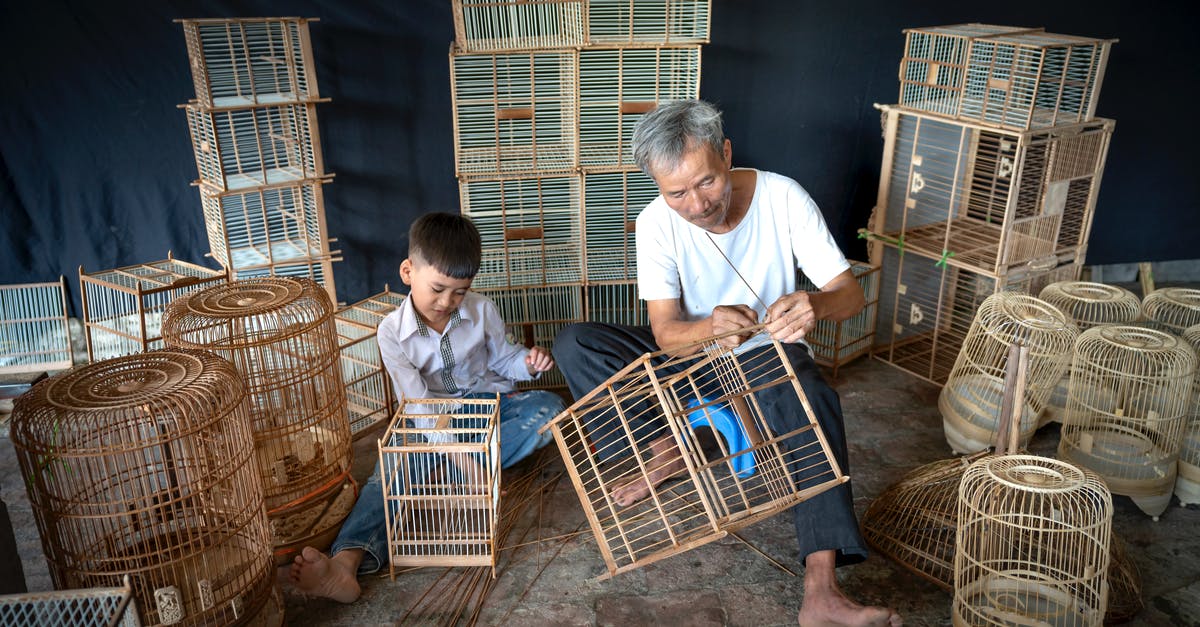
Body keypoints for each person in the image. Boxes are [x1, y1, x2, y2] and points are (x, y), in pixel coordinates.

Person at [554, 100, 902, 627]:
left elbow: (848, 294)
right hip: (695, 360)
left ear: (727, 153)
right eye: (677, 193)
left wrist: (815, 304)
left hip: (769, 359)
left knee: (813, 396)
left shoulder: (783, 197)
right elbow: (667, 334)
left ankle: (821, 590)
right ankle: (670, 449)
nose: (696, 205)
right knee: (577, 344)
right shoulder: (655, 225)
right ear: (658, 186)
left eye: (707, 182)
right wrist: (709, 329)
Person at [289, 212, 563, 603]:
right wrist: (468, 463)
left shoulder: (482, 309)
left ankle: (442, 473)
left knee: (549, 410)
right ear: (407, 271)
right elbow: (416, 405)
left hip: (490, 406)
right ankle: (347, 562)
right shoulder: (390, 332)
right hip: (429, 416)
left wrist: (529, 364)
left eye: (459, 292)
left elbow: (504, 361)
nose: (447, 301)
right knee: (391, 469)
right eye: (437, 288)